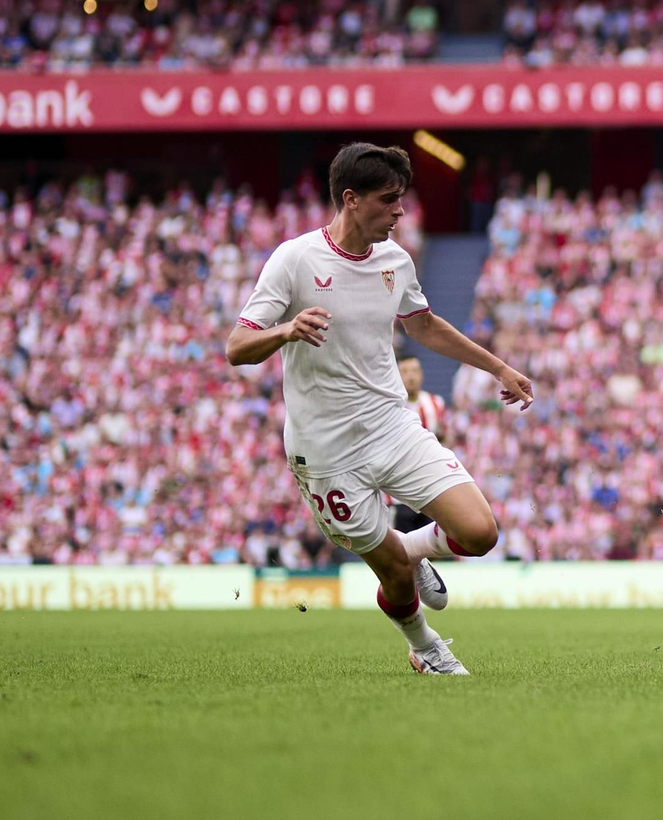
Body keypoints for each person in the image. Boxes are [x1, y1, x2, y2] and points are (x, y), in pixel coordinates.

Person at [226, 143, 535, 675]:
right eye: (389, 199)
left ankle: (411, 551)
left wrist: (498, 368)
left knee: (480, 533)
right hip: (325, 452)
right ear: (351, 199)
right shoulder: (295, 259)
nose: (400, 210)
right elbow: (237, 347)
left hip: (393, 427)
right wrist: (286, 329)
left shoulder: (396, 261)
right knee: (390, 572)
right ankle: (426, 646)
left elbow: (424, 325)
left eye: (401, 198)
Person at [394, 352, 447, 534]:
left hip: (431, 488)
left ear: (422, 374)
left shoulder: (436, 403)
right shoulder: (390, 406)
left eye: (415, 371)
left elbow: (442, 439)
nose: (411, 377)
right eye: (405, 372)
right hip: (399, 493)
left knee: (433, 540)